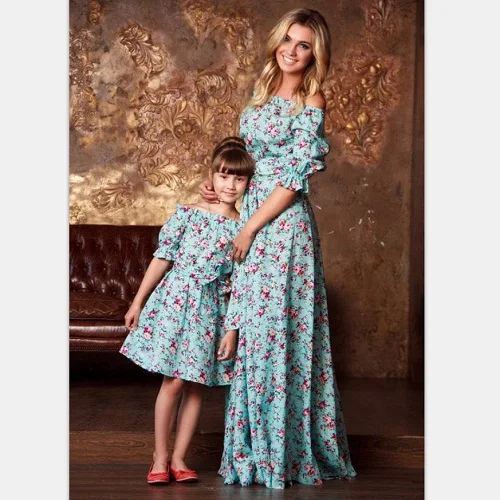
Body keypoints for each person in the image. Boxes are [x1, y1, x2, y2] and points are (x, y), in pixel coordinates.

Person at [198, 8, 357, 489]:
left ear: (315, 54)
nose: (292, 50)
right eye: (287, 40)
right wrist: (220, 192)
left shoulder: (312, 100)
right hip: (250, 217)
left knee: (279, 334)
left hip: (284, 229)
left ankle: (283, 453)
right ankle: (251, 449)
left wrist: (250, 228)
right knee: (252, 333)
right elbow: (248, 164)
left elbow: (292, 180)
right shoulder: (260, 93)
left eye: (303, 44)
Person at [120, 137, 254, 485]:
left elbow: (240, 283)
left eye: (239, 178)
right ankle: (160, 457)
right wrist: (138, 301)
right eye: (224, 176)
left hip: (212, 310)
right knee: (174, 380)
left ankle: (180, 459)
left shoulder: (245, 228)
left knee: (196, 384)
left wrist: (232, 329)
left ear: (248, 183)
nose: (230, 185)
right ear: (211, 176)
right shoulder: (188, 213)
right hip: (175, 302)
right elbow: (161, 258)